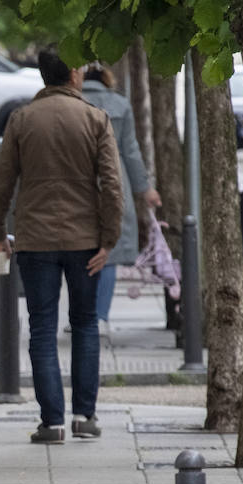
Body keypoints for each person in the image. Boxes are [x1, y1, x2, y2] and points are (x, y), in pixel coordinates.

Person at [0, 48, 122, 445]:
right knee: (84, 324)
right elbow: (112, 186)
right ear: (75, 74)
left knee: (42, 328)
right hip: (86, 241)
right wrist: (109, 238)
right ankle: (85, 415)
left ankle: (52, 423)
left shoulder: (22, 119)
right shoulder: (96, 119)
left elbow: (2, 183)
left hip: (35, 239)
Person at [80, 64, 161, 326]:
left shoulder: (74, 102)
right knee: (109, 252)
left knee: (80, 249)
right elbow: (131, 151)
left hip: (79, 180)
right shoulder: (120, 105)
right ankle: (100, 315)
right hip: (116, 180)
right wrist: (144, 189)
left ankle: (80, 313)